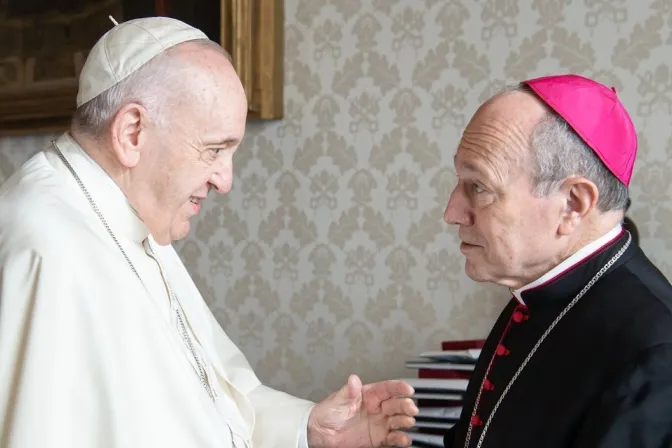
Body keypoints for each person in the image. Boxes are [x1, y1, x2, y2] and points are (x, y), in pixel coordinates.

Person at [0, 17, 418, 448]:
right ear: (132, 132)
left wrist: (306, 429)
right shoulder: (48, 249)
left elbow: (211, 397)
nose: (225, 180)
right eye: (214, 149)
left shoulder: (126, 219)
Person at [442, 74, 672, 447]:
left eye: (479, 186)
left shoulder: (657, 353)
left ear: (573, 204)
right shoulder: (535, 295)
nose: (453, 212)